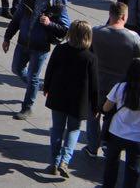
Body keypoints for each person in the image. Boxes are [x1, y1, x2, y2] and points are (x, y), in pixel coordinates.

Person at [3, 0, 70, 119]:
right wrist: (7, 37)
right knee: (17, 69)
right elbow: (17, 19)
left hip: (40, 48)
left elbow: (66, 29)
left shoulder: (58, 6)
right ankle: (33, 88)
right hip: (22, 43)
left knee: (33, 77)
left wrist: (50, 23)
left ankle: (27, 107)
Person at [86, 1, 140, 156]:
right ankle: (107, 144)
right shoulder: (133, 38)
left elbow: (88, 54)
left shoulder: (96, 32)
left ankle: (92, 147)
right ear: (125, 16)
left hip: (97, 81)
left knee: (93, 114)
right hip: (120, 85)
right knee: (112, 116)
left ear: (110, 14)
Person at [42, 19, 98, 177]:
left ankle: (53, 162)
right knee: (73, 130)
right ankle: (65, 161)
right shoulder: (90, 57)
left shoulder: (60, 49)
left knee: (57, 130)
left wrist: (47, 87)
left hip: (59, 96)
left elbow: (50, 69)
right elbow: (94, 84)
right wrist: (95, 106)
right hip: (78, 101)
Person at [100, 58, 140, 188]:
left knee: (111, 167)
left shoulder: (120, 88)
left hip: (116, 133)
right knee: (132, 172)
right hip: (138, 137)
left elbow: (106, 108)